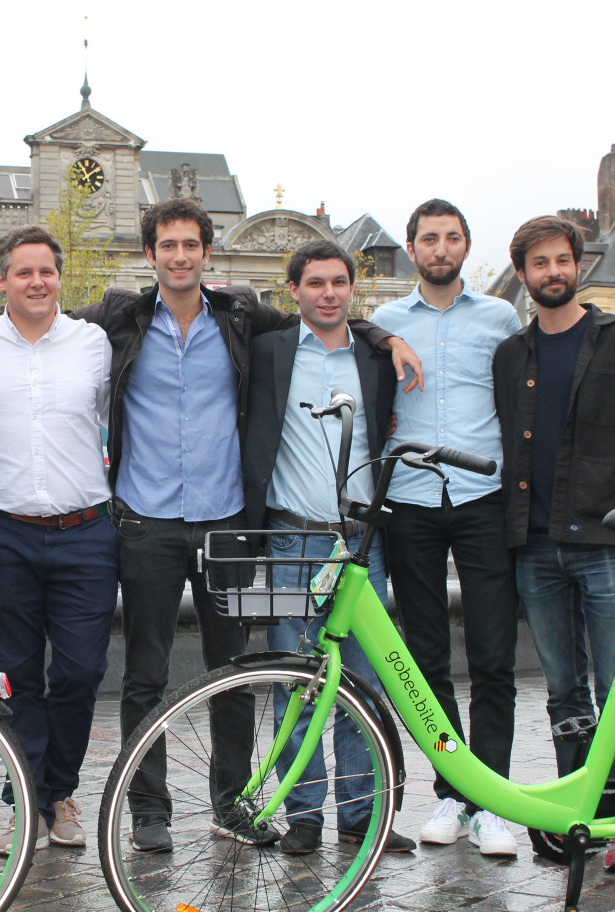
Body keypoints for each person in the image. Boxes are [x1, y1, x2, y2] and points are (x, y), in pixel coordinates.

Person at [0, 198, 420, 853]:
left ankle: (232, 803)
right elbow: (37, 315)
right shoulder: (121, 316)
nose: (179, 256)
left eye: (190, 245)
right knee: (144, 675)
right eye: (167, 245)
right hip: (146, 523)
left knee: (232, 670)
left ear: (206, 252)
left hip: (228, 521)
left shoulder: (240, 316)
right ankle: (150, 810)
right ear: (151, 254)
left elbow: (320, 318)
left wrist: (384, 335)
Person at [493, 214, 615, 875]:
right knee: (565, 693)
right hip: (536, 547)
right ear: (523, 275)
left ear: (578, 266)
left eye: (561, 260)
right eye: (539, 263)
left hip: (608, 542)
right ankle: (582, 817)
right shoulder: (513, 355)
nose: (552, 272)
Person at [242, 240, 415, 855]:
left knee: (364, 687)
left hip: (360, 543)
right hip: (291, 535)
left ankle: (362, 813)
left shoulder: (374, 354)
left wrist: (386, 338)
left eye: (339, 282)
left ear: (351, 288)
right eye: (315, 283)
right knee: (296, 682)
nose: (328, 293)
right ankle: (306, 813)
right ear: (294, 291)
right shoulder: (269, 352)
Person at [369, 198, 521, 856]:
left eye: (451, 238)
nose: (440, 249)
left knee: (493, 658)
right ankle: (451, 792)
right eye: (428, 239)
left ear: (464, 247)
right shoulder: (386, 319)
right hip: (409, 500)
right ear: (412, 249)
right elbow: (346, 331)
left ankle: (491, 801)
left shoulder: (500, 317)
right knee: (426, 660)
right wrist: (382, 338)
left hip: (482, 495)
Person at [0, 225, 116, 851]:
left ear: (59, 276)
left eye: (46, 271)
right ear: (1, 281)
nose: (36, 282)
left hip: (85, 532)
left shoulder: (94, 343)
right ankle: (35, 793)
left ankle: (56, 784)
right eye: (22, 273)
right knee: (15, 675)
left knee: (81, 670)